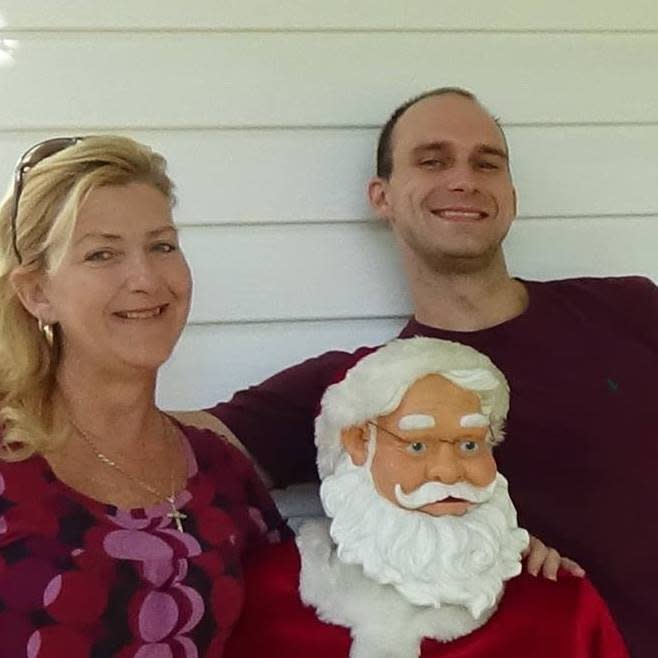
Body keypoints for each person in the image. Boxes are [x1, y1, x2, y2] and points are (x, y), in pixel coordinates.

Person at [200, 88, 657, 656]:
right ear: (382, 197)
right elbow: (158, 450)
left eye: (486, 163)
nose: (464, 179)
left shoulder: (630, 309)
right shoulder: (355, 390)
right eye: (433, 160)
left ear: (510, 195)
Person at [0, 136, 289, 658]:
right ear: (38, 294)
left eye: (162, 245)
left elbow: (286, 629)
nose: (147, 279)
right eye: (102, 253)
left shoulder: (222, 473)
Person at [226, 338, 628, 658]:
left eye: (470, 444)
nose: (449, 471)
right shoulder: (269, 597)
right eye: (417, 446)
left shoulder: (560, 605)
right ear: (357, 444)